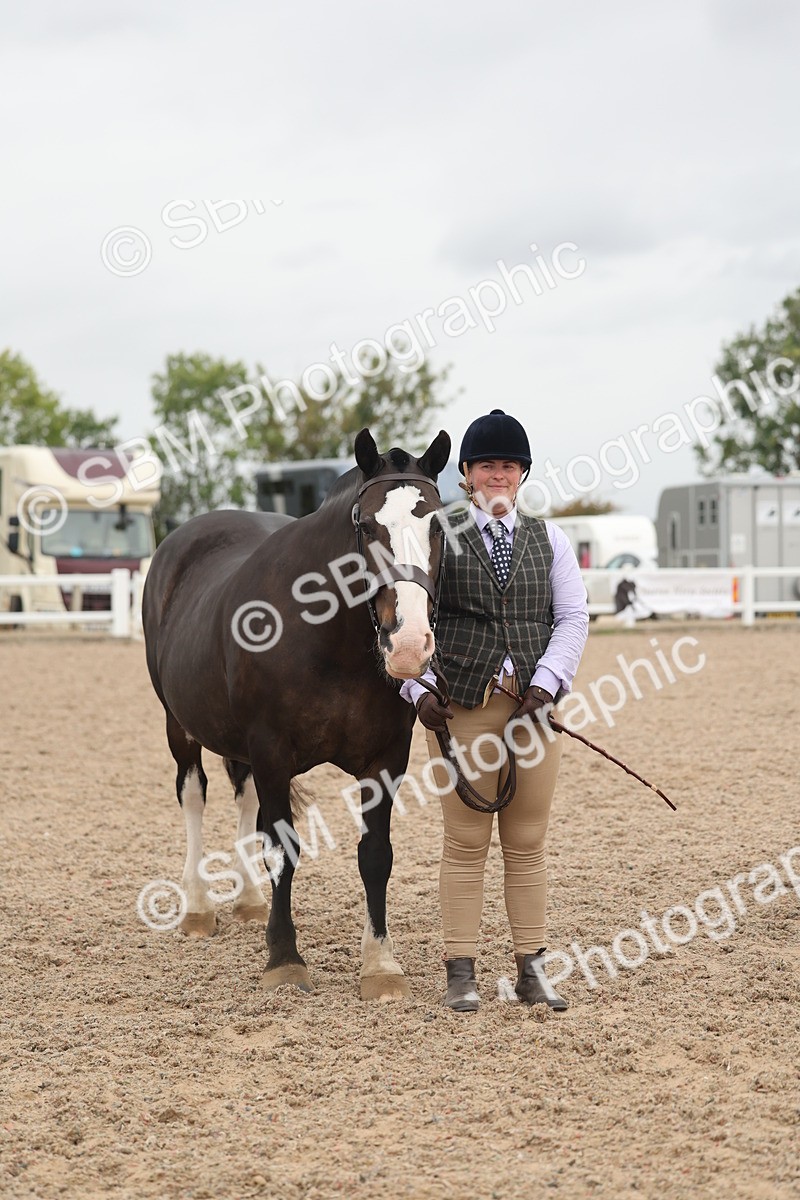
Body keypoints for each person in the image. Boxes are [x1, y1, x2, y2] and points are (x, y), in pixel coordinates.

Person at [401, 409, 589, 1012]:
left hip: (532, 708)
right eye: (487, 465)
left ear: (522, 472)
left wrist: (548, 683)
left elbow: (572, 619)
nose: (498, 474)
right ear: (467, 474)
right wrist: (418, 690)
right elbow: (411, 620)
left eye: (508, 465)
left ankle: (532, 967)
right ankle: (461, 969)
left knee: (528, 840)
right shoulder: (437, 534)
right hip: (463, 704)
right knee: (464, 840)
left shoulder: (549, 539)